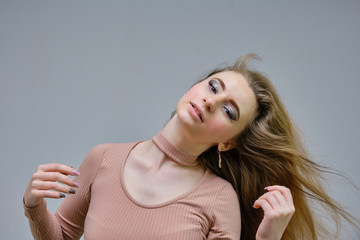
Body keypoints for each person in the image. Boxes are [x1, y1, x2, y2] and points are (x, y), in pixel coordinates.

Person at [23, 54, 357, 240]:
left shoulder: (217, 197)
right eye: (214, 86)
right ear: (195, 87)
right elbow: (63, 237)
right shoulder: (103, 158)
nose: (211, 102)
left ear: (227, 141)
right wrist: (33, 204)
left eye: (229, 110)